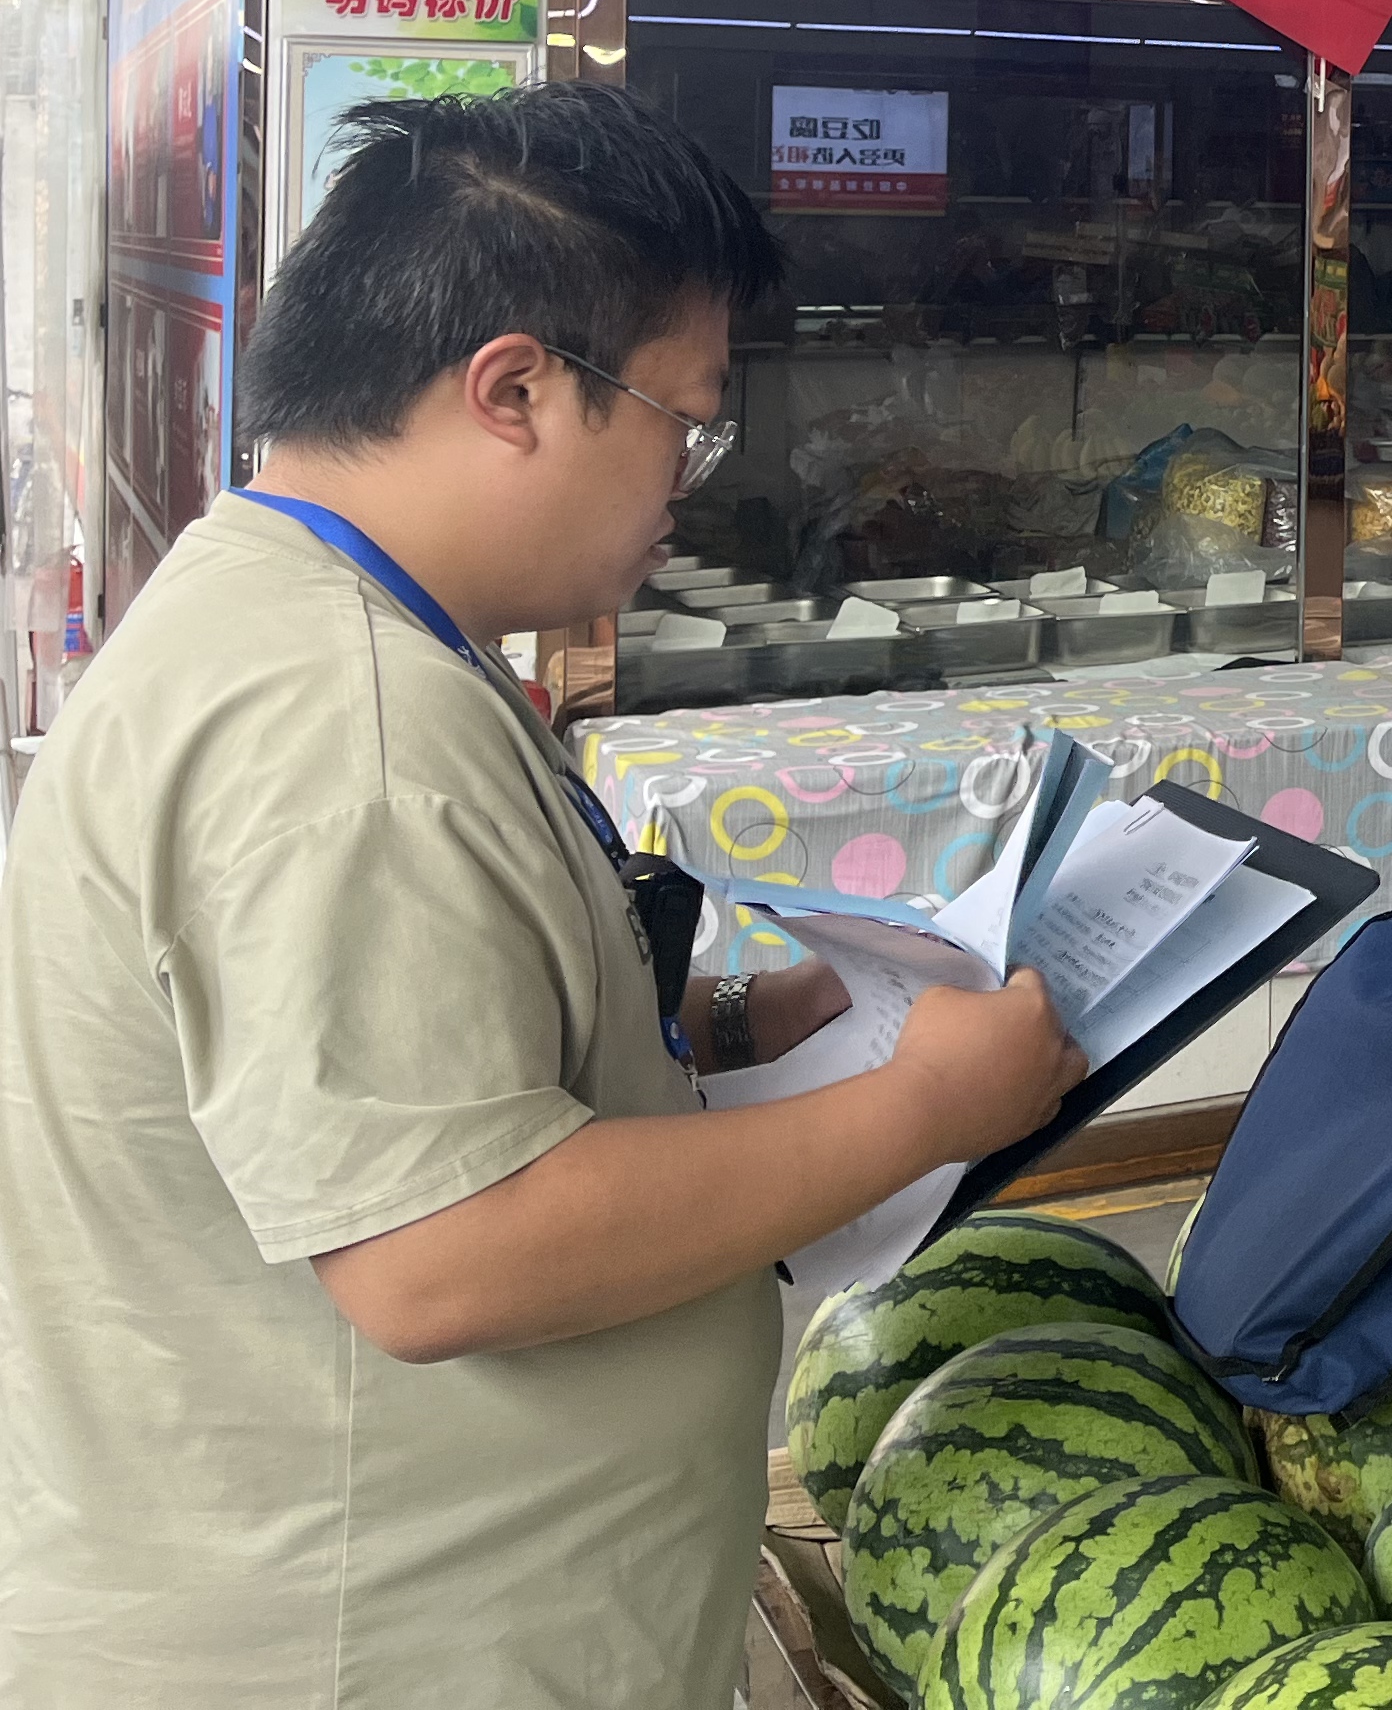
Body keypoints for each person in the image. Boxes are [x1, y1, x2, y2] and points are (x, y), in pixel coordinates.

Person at [0, 88, 1088, 1708]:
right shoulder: (346, 722)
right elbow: (440, 1251)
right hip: (357, 1645)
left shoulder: (308, 618)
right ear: (515, 387)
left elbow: (407, 1072)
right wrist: (920, 1107)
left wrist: (726, 1018)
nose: (688, 485)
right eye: (685, 418)